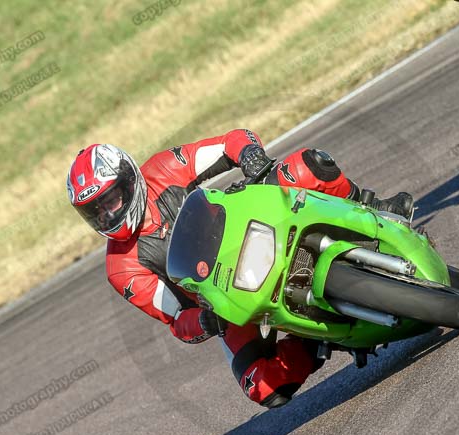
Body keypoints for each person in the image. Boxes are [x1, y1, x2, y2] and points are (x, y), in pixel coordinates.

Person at [66, 130, 414, 408]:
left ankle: (375, 210)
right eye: (95, 211)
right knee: (265, 387)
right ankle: (316, 338)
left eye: (110, 200)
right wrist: (206, 321)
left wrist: (249, 156)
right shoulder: (121, 268)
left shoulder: (164, 168)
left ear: (130, 180)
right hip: (225, 299)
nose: (107, 215)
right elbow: (177, 320)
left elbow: (231, 140)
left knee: (307, 166)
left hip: (249, 224)